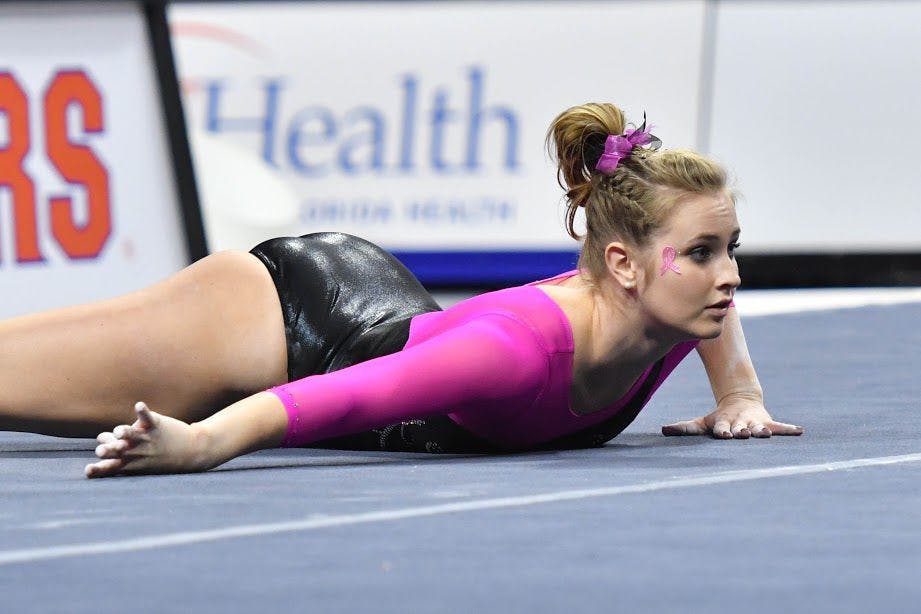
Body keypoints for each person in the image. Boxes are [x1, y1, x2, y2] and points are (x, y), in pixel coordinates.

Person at [0, 102, 802, 479]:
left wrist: (741, 394)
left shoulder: (672, 306)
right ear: (625, 265)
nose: (728, 276)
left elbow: (711, 314)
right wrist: (201, 443)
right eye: (701, 253)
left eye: (731, 248)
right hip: (278, 324)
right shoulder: (511, 353)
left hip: (367, 313)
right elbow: (337, 400)